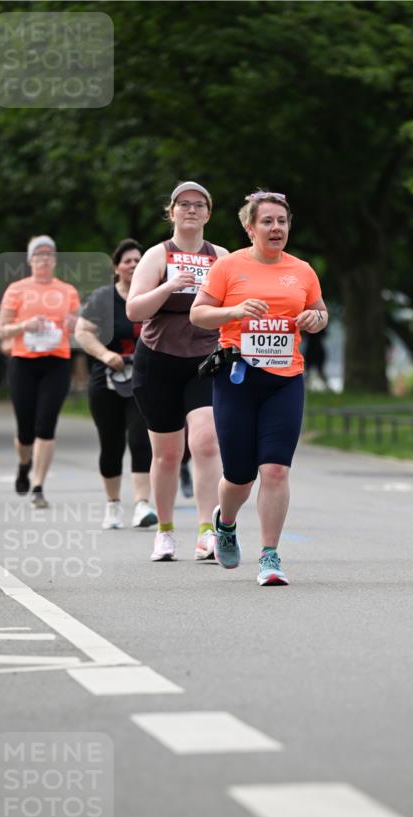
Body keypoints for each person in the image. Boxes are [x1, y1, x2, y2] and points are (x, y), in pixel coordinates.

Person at [191, 191, 328, 586]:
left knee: (276, 469)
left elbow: (320, 310)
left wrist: (315, 319)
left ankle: (269, 555)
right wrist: (233, 311)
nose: (276, 228)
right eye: (267, 221)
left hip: (285, 379)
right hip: (237, 378)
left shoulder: (302, 270)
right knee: (239, 476)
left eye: (282, 221)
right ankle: (226, 523)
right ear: (250, 228)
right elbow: (198, 313)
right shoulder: (228, 266)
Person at [127, 181, 227, 562]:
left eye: (199, 205)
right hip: (158, 361)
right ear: (171, 212)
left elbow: (236, 304)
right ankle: (165, 531)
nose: (191, 210)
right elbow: (134, 311)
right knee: (168, 454)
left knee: (205, 442)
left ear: (208, 214)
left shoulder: (221, 256)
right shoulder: (157, 255)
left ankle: (206, 531)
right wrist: (170, 286)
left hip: (204, 360)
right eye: (183, 204)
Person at [74, 239, 158, 530]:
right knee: (111, 445)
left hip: (144, 379)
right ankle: (112, 506)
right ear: (116, 267)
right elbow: (82, 332)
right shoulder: (102, 298)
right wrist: (105, 354)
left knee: (140, 439)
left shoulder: (154, 295)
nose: (133, 265)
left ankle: (142, 505)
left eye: (138, 260)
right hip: (106, 380)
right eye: (127, 261)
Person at [0, 236, 80, 508]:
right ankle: (24, 464)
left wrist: (73, 322)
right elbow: (2, 330)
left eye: (49, 254)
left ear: (55, 260)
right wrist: (25, 326)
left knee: (46, 425)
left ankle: (38, 486)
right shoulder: (17, 289)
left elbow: (79, 327)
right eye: (39, 254)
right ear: (30, 260)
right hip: (23, 362)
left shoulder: (67, 291)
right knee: (25, 430)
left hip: (57, 362)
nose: (44, 258)